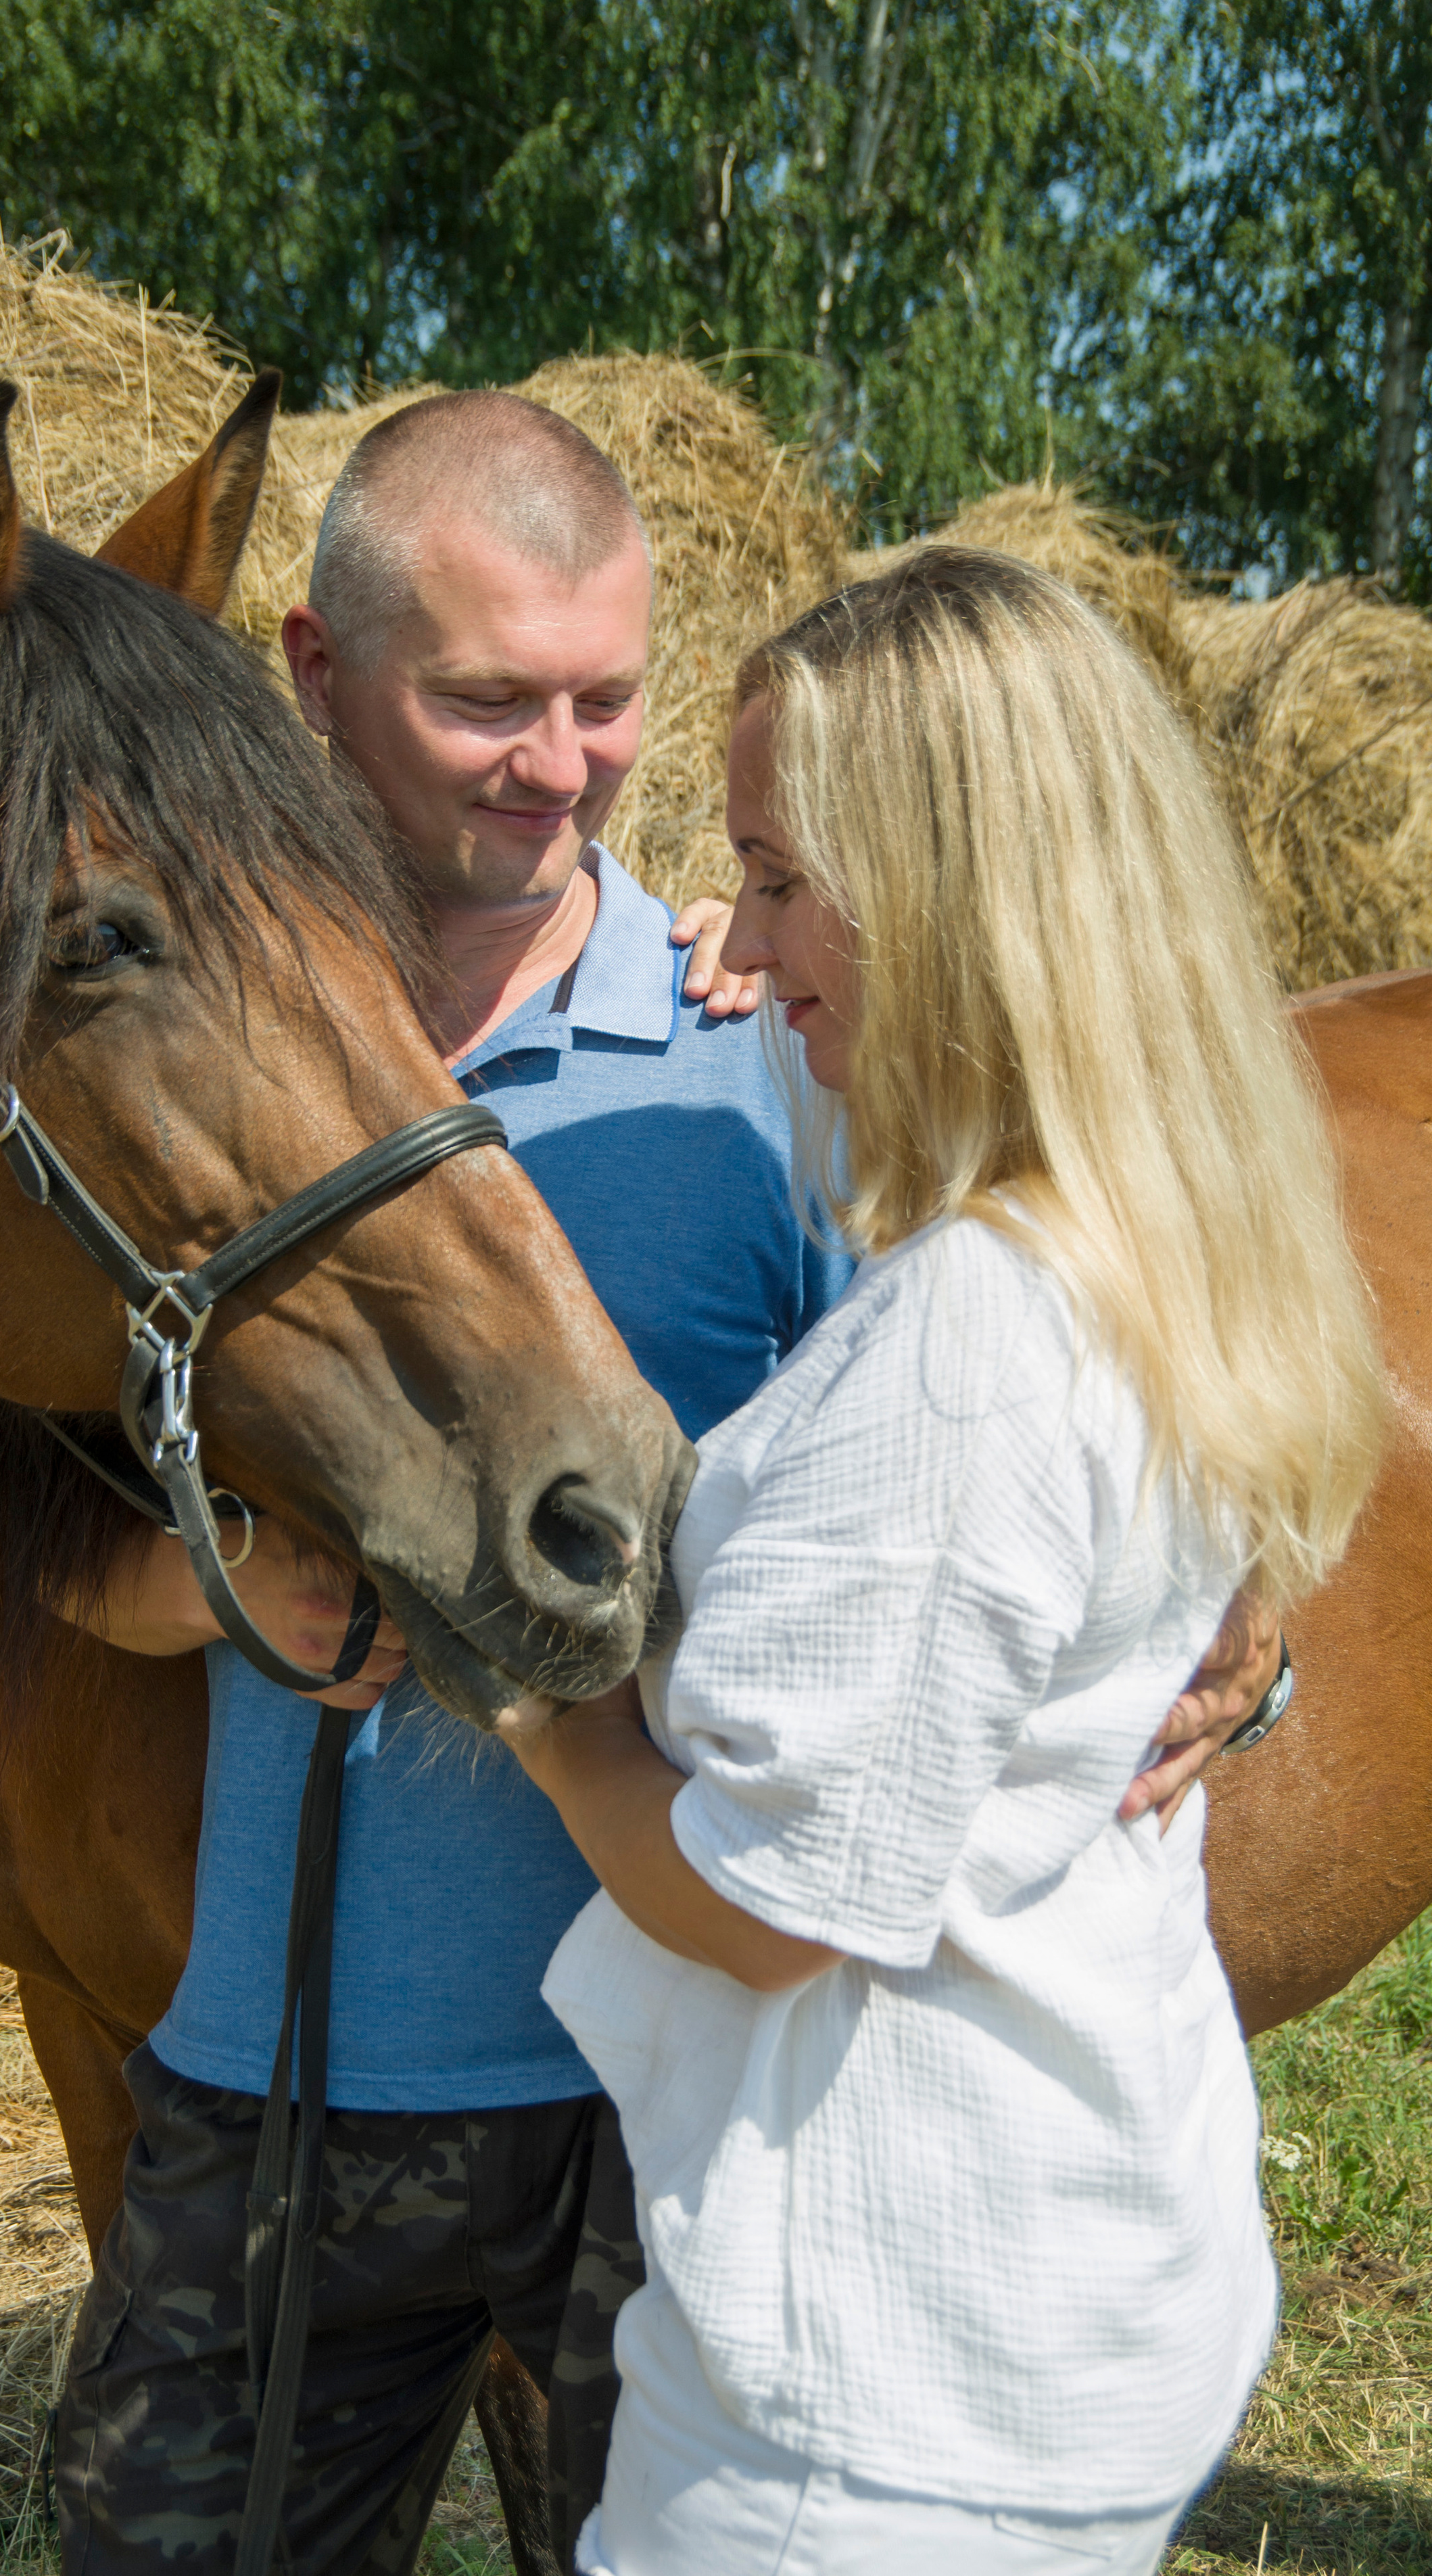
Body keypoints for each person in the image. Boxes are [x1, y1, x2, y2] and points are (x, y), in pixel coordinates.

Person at [54, 410, 1282, 2576]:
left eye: (607, 700)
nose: (561, 765)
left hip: (666, 2124)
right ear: (311, 675)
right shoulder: (161, 1035)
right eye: (485, 701)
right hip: (280, 2082)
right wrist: (203, 1588)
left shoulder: (782, 1046)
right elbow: (11, 1514)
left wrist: (1247, 1613)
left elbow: (1109, 1372)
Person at [504, 546, 1386, 2576]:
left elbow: (769, 1904)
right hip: (1068, 2280)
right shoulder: (1154, 1229)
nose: (743, 929)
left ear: (959, 897)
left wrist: (542, 1709)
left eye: (787, 875)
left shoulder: (971, 1343)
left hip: (879, 2415)